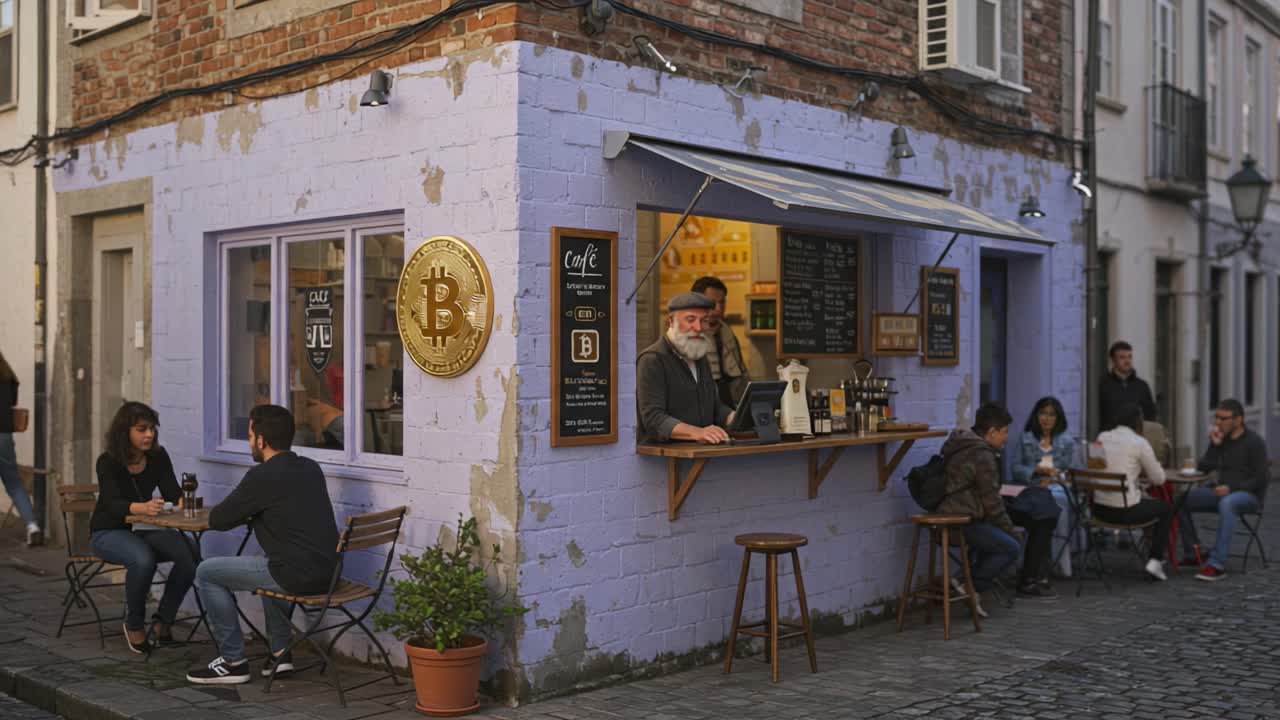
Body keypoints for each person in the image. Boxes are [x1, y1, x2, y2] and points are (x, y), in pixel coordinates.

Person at [187, 404, 339, 684]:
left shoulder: (262, 476)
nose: (249, 444)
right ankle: (280, 654)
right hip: (329, 573)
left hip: (297, 576)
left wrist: (251, 509)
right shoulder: (310, 468)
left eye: (249, 437)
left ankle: (233, 661)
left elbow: (220, 519)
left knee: (206, 572)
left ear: (261, 440)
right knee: (269, 561)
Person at [90, 401, 197, 653]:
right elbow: (112, 503)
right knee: (143, 559)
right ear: (125, 431)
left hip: (142, 528)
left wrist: (186, 502)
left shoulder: (158, 456)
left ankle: (163, 621)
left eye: (152, 428)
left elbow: (172, 491)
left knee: (189, 553)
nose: (149, 434)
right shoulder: (108, 461)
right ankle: (134, 624)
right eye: (141, 429)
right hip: (108, 531)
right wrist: (142, 508)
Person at [937, 403, 1030, 613]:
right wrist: (1012, 532)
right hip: (963, 520)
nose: (1006, 437)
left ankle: (968, 584)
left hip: (951, 512)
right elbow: (993, 505)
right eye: (1004, 432)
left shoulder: (963, 445)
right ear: (991, 432)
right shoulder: (983, 455)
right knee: (1012, 547)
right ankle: (969, 584)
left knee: (995, 540)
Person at [1179, 398, 1269, 582]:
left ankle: (1216, 565)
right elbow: (1204, 467)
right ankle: (1194, 553)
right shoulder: (1222, 440)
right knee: (1180, 500)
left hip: (1248, 496)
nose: (1218, 422)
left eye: (1223, 418)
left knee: (1228, 503)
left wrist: (1232, 488)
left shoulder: (1254, 442)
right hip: (1221, 492)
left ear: (1238, 419)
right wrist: (1214, 446)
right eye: (1217, 418)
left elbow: (1262, 479)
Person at [636, 292, 734, 444]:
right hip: (664, 461)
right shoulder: (652, 360)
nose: (698, 327)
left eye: (704, 320)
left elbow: (714, 408)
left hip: (700, 455)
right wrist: (697, 433)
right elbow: (654, 419)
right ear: (671, 321)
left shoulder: (700, 357)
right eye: (690, 319)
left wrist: (735, 417)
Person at [1094, 402, 1172, 581]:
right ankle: (1155, 560)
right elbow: (1159, 479)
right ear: (1138, 421)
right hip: (1125, 512)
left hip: (1099, 510)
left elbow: (1096, 469)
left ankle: (1152, 557)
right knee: (1165, 508)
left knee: (1147, 502)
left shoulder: (1102, 437)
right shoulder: (1139, 442)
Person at [1009, 396, 1081, 577]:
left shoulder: (1067, 441)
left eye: (1051, 414)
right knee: (1033, 504)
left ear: (1058, 418)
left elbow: (1073, 470)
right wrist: (1034, 471)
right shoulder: (1026, 438)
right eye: (1043, 413)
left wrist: (1056, 475)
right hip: (1032, 487)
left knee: (1058, 501)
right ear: (1036, 415)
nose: (1046, 418)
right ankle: (1030, 562)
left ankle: (1059, 561)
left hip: (1058, 487)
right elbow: (1015, 468)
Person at [0, 351, 40, 546]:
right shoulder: (9, 378)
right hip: (5, 436)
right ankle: (33, 527)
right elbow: (12, 403)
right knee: (14, 484)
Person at [691, 276, 749, 408]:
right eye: (712, 303)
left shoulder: (726, 331)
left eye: (722, 302)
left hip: (730, 405)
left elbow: (740, 372)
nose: (718, 309)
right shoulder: (686, 336)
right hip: (702, 409)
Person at [1098, 341, 1156, 432]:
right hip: (1110, 439)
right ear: (1113, 360)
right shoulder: (1103, 386)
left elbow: (1150, 416)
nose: (1127, 361)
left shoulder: (1142, 386)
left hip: (1137, 439)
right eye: (1122, 357)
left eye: (1129, 356)